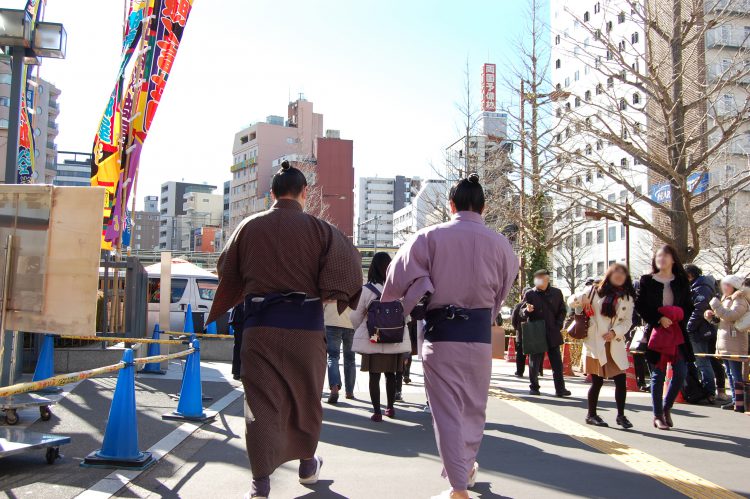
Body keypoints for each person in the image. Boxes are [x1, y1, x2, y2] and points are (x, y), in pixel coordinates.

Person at [206, 161, 363, 499]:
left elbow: (224, 266)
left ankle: (260, 484)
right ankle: (307, 465)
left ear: (272, 194)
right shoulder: (322, 230)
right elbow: (349, 265)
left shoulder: (249, 226)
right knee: (306, 398)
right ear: (305, 193)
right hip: (305, 327)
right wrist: (327, 291)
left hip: (259, 327)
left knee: (260, 404)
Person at [381, 174, 518, 499]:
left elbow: (394, 278)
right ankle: (466, 468)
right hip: (479, 334)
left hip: (442, 335)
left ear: (451, 204)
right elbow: (503, 291)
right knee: (474, 409)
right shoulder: (501, 244)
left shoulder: (428, 237)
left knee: (447, 412)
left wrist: (399, 299)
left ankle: (459, 487)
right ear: (483, 207)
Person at [635, 245, 694, 430]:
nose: (661, 258)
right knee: (658, 374)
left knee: (681, 372)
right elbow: (640, 306)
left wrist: (676, 314)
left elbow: (689, 306)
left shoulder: (682, 281)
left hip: (677, 332)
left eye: (666, 255)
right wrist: (659, 318)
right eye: (658, 255)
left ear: (673, 259)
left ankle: (667, 407)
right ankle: (657, 415)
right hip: (656, 332)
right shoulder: (646, 280)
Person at [569, 264, 635, 428]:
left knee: (620, 380)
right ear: (609, 275)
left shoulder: (627, 297)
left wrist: (615, 332)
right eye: (616, 273)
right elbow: (571, 301)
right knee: (597, 381)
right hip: (595, 342)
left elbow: (628, 321)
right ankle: (591, 414)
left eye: (623, 274)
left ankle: (621, 415)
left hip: (614, 342)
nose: (619, 276)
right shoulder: (594, 290)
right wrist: (580, 299)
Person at [351, 252, 412, 421]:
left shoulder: (366, 290)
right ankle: (390, 408)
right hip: (394, 338)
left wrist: (363, 329)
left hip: (375, 336)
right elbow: (406, 315)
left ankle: (377, 412)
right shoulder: (398, 289)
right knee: (391, 374)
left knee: (374, 375)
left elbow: (356, 316)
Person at [520, 269, 571, 397]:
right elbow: (521, 312)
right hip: (536, 331)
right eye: (536, 278)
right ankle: (534, 387)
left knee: (557, 363)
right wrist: (527, 310)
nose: (537, 280)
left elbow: (562, 310)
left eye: (540, 277)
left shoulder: (557, 293)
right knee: (534, 362)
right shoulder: (530, 294)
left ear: (547, 279)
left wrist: (558, 324)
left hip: (552, 331)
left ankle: (560, 389)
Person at [706, 274, 749, 412]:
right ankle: (736, 400)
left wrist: (716, 306)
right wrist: (711, 315)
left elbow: (731, 316)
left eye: (727, 284)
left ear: (734, 286)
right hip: (727, 340)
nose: (723, 287)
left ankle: (740, 402)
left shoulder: (740, 299)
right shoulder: (727, 299)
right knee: (729, 372)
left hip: (735, 340)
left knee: (735, 372)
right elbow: (722, 318)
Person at [684, 264, 720, 404]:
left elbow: (699, 308)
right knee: (702, 360)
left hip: (699, 329)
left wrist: (689, 325)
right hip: (701, 328)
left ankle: (709, 392)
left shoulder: (701, 286)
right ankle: (705, 391)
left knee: (702, 361)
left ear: (690, 275)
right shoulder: (702, 284)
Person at [324, 302, 356, 404]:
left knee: (333, 357)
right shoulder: (356, 284)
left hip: (331, 320)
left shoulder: (331, 284)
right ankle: (349, 391)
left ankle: (334, 387)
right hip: (351, 322)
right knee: (350, 359)